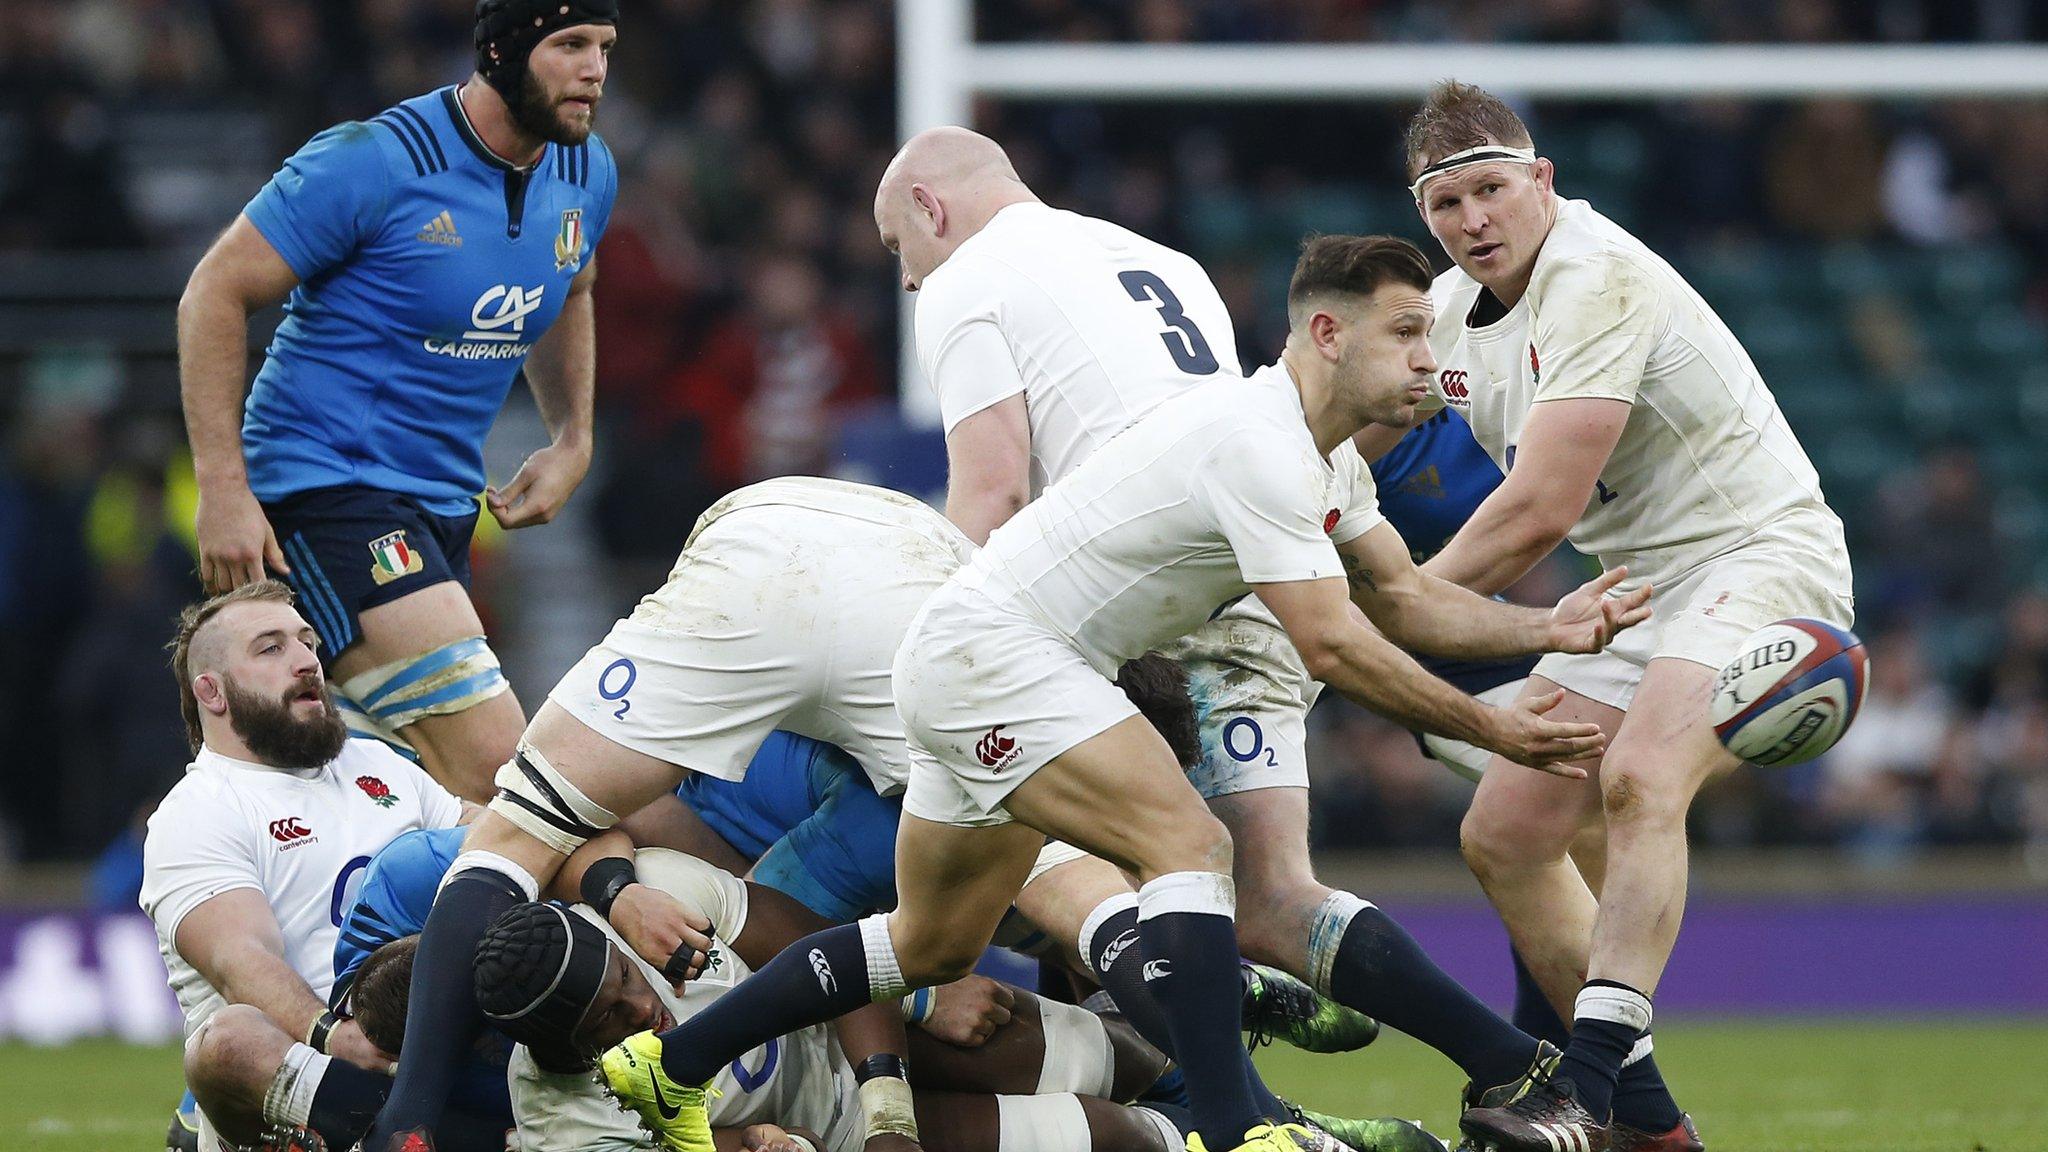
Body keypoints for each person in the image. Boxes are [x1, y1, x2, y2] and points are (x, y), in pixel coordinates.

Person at [599, 234, 1652, 1152]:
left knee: (924, 946)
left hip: (977, 662)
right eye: (1406, 335)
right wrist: (1492, 727)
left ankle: (672, 1062)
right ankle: (1237, 1129)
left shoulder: (1323, 463)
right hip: (1001, 661)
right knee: (1189, 847)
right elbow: (1331, 646)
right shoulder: (1259, 445)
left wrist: (1541, 628)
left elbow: (1409, 601)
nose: (1430, 359)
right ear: (1327, 334)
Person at [878, 127, 1582, 1148]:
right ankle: (1461, 1075)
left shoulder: (964, 278)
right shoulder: (1158, 259)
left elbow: (992, 492)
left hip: (1134, 591)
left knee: (1086, 877)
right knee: (1258, 892)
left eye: (896, 247)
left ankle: (1267, 1117)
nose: (904, 280)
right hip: (1257, 559)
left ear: (930, 212)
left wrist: (932, 650)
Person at [1402, 81, 1855, 1152]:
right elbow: (1353, 426)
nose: (1472, 220)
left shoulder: (1597, 277)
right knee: (1505, 831)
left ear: (1541, 181)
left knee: (1640, 780)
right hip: (1636, 587)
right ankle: (1648, 1130)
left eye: (1489, 190)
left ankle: (1585, 1088)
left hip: (1757, 555)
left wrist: (1394, 615)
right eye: (1445, 204)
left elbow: (1537, 513)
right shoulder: (1442, 313)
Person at [176, 0, 620, 801]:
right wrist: (223, 487)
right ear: (501, 53)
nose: (595, 69)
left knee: (413, 801)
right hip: (323, 490)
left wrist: (572, 437)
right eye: (570, 45)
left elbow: (573, 287)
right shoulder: (373, 160)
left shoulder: (587, 172)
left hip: (440, 508)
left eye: (605, 47)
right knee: (503, 774)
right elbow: (214, 290)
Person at [367, 847, 1192, 1152]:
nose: (641, 1009)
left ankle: (1240, 1059)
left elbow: (829, 949)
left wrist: (892, 1102)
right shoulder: (562, 1121)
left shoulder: (654, 900)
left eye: (625, 982)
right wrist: (760, 1140)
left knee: (1121, 1059)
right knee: (1112, 1136)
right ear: (558, 1050)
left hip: (856, 1043)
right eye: (609, 1022)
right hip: (827, 1133)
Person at [139, 581, 469, 1152]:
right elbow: (240, 959)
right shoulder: (198, 811)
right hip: (317, 1072)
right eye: (271, 648)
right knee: (230, 1042)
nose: (306, 661)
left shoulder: (376, 763)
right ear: (212, 693)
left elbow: (485, 837)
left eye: (307, 641)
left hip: (430, 1042)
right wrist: (334, 1035)